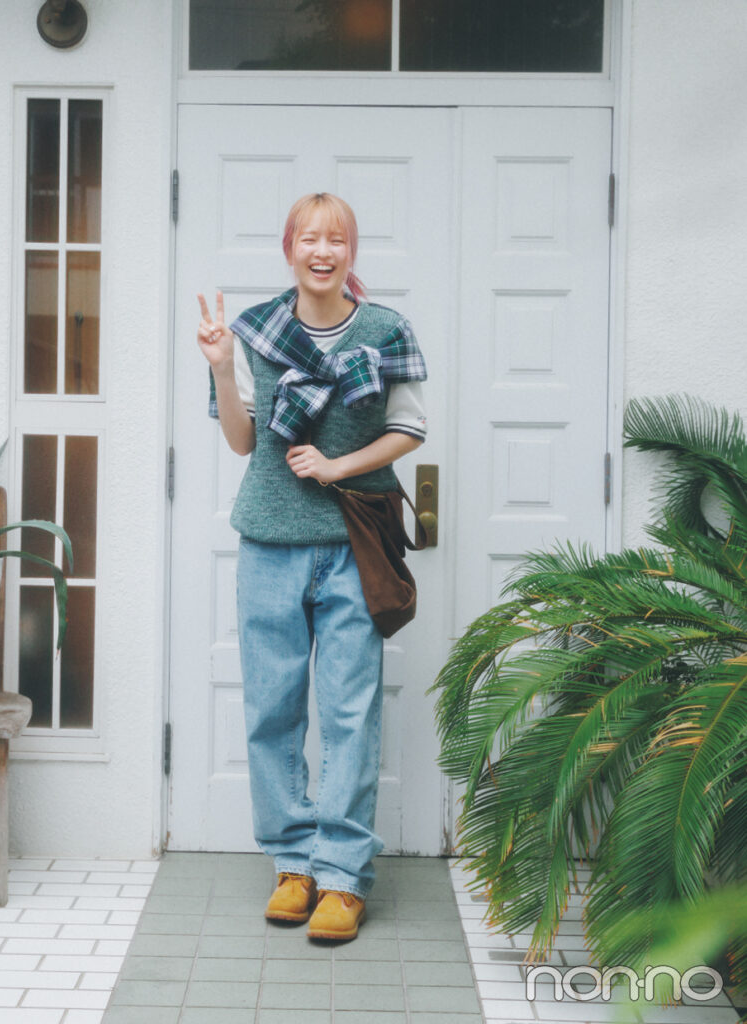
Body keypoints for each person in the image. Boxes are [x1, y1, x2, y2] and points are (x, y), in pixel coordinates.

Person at [197, 192, 427, 941]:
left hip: (352, 544)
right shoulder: (255, 332)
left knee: (350, 713)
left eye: (337, 239)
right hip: (268, 540)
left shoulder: (387, 330)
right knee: (272, 709)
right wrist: (223, 365)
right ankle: (291, 864)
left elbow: (408, 428)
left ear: (351, 251)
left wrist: (338, 466)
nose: (322, 250)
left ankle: (342, 878)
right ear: (289, 247)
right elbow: (241, 442)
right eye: (309, 238)